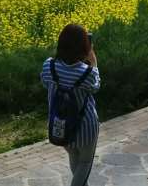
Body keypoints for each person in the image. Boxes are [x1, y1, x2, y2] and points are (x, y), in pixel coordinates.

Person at [41, 24, 100, 186]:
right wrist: (93, 62)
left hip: (60, 125)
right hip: (86, 127)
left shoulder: (48, 66)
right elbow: (96, 87)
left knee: (74, 157)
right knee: (85, 163)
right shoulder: (88, 73)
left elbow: (46, 83)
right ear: (85, 47)